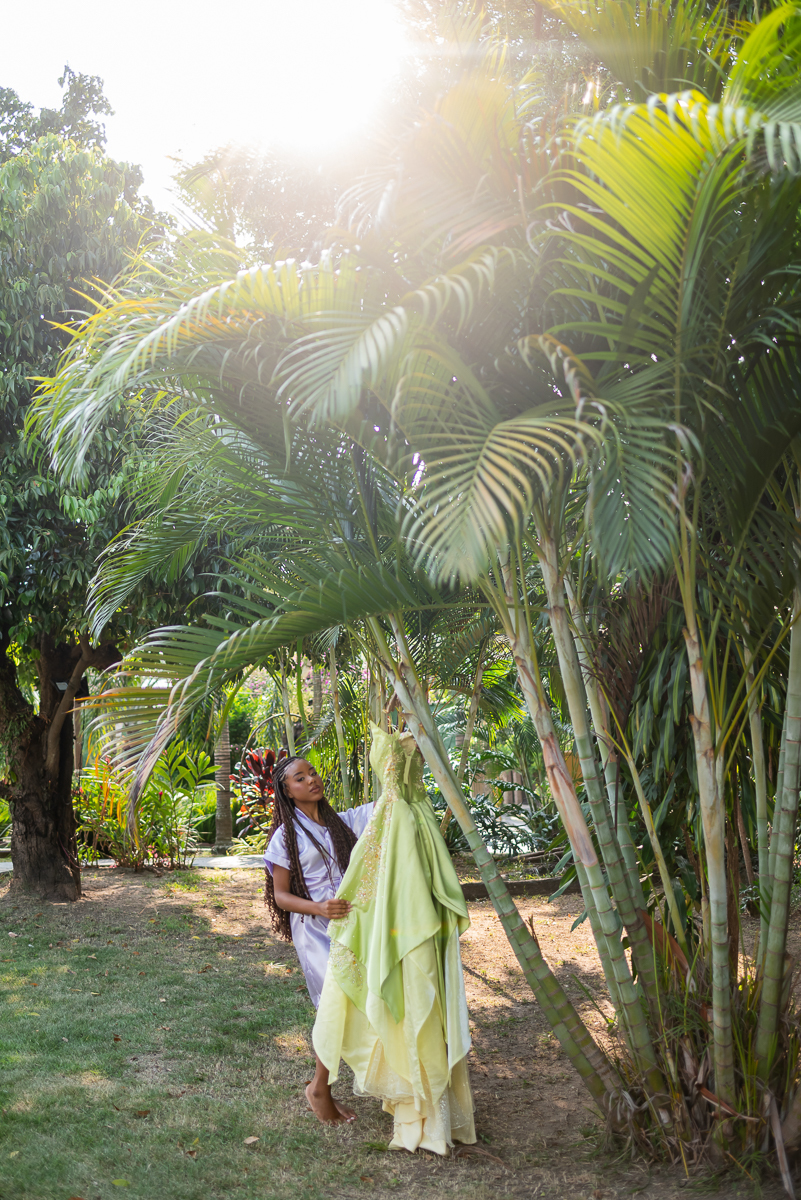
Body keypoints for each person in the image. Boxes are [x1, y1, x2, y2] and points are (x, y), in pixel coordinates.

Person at [263, 755, 374, 1124]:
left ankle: (324, 1086)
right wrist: (319, 907)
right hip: (313, 929)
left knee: (353, 1003)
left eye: (312, 773)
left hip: (351, 927)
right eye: (300, 777)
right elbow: (281, 896)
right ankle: (319, 1089)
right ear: (287, 791)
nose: (311, 779)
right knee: (334, 1006)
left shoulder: (342, 822)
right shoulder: (285, 837)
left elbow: (388, 805)